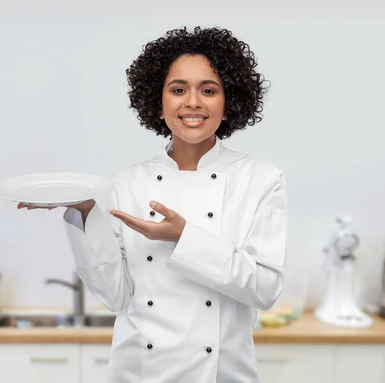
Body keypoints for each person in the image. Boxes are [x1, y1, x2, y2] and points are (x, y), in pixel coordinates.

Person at [18, 26, 287, 383]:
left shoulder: (260, 178)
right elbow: (116, 297)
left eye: (208, 90)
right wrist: (85, 213)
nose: (192, 102)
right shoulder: (129, 182)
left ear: (229, 102)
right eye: (178, 90)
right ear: (158, 104)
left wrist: (184, 237)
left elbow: (265, 289)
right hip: (139, 373)